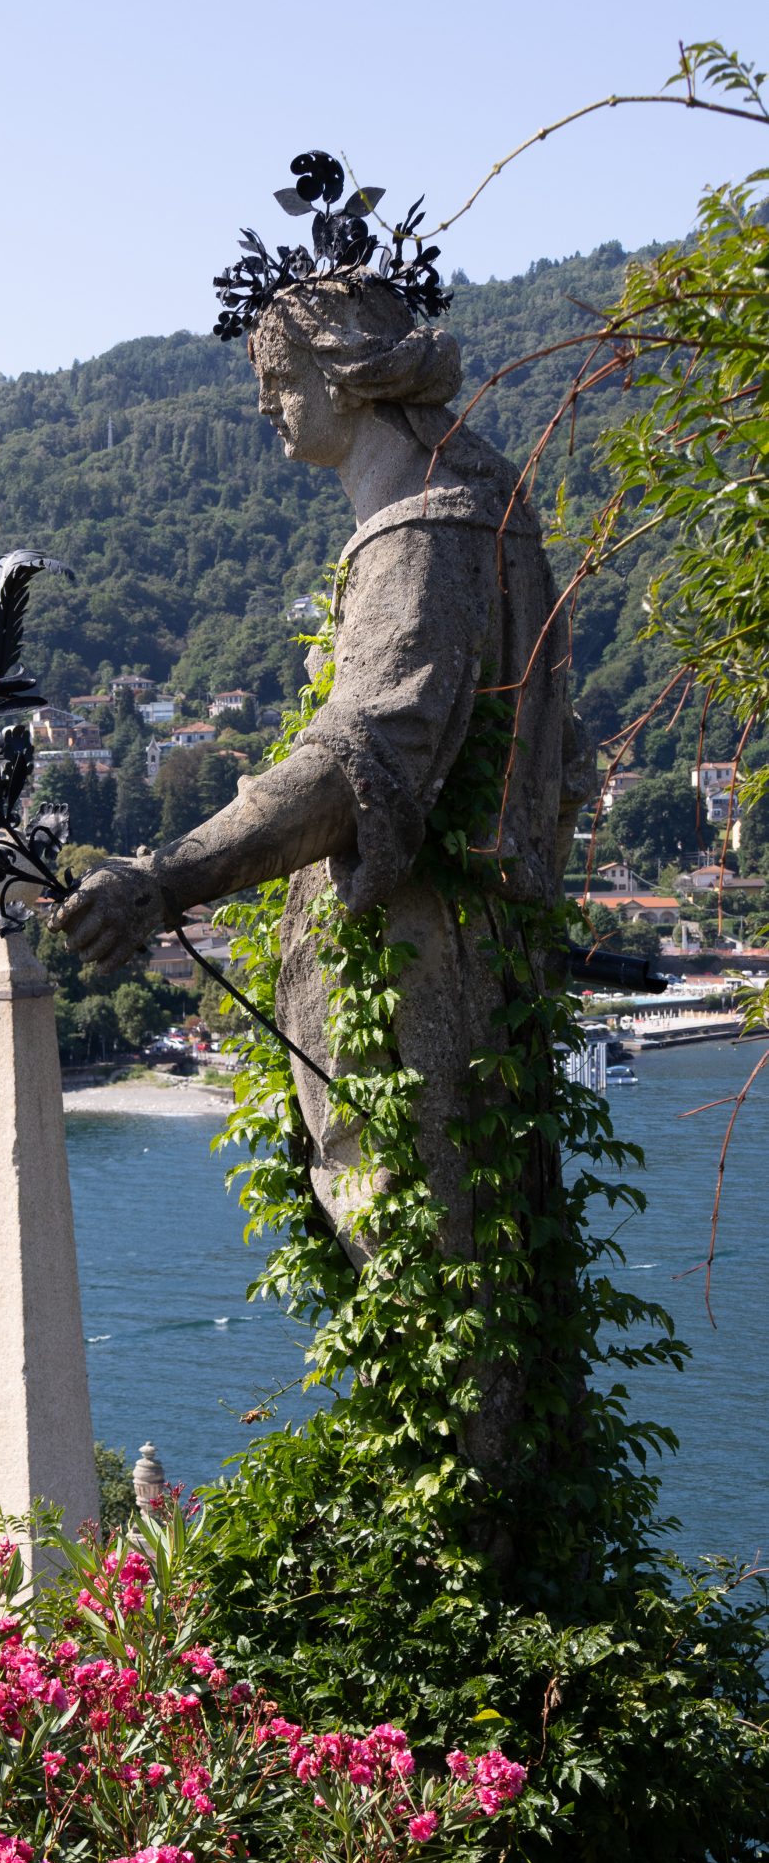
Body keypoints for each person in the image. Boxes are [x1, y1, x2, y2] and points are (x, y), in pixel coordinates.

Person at [56, 268, 595, 1267]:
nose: (265, 402)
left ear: (347, 376)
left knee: (431, 1295)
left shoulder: (424, 534)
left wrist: (162, 879)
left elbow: (358, 764)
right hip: (493, 967)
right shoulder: (493, 508)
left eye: (278, 376)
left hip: (415, 992)